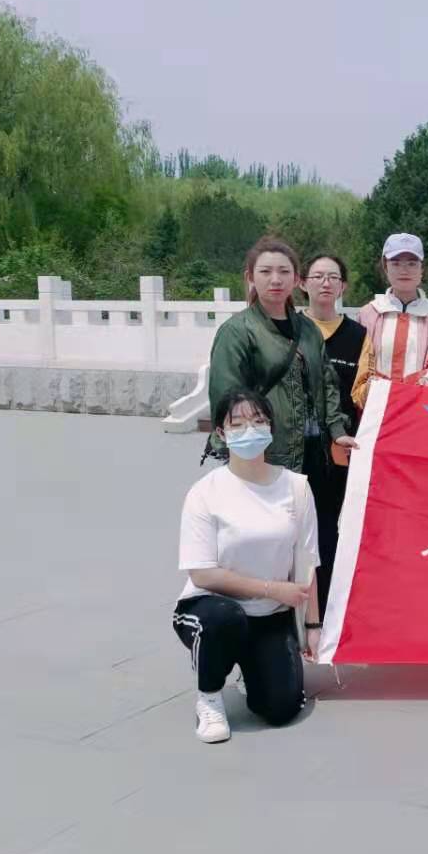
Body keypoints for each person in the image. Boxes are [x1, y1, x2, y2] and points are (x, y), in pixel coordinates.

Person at [173, 389, 322, 743]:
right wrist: (271, 589)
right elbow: (202, 573)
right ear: (221, 434)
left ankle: (251, 665)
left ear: (271, 428)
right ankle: (209, 696)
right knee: (224, 620)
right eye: (237, 424)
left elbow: (308, 560)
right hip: (213, 608)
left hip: (270, 615)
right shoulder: (205, 493)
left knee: (282, 709)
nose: (249, 430)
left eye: (258, 421)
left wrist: (313, 626)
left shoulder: (296, 488)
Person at [207, 236, 356, 484]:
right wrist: (237, 452)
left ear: (296, 279)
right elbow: (226, 399)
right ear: (250, 277)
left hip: (315, 454)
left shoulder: (308, 330)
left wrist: (337, 430)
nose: (275, 279)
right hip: (265, 455)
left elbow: (328, 384)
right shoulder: (237, 332)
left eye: (284, 272)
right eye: (265, 271)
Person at [303, 253, 368, 617]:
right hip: (295, 449)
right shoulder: (290, 329)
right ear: (303, 283)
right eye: (318, 276)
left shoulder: (358, 336)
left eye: (333, 277)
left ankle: (328, 610)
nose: (325, 283)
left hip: (339, 449)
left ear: (343, 286)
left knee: (330, 529)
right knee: (295, 530)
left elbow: (364, 391)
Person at [350, 233, 428, 405]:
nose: (404, 270)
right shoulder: (368, 313)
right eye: (396, 263)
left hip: (421, 406)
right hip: (377, 406)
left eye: (412, 263)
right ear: (385, 267)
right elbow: (361, 366)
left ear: (422, 268)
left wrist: (408, 389)